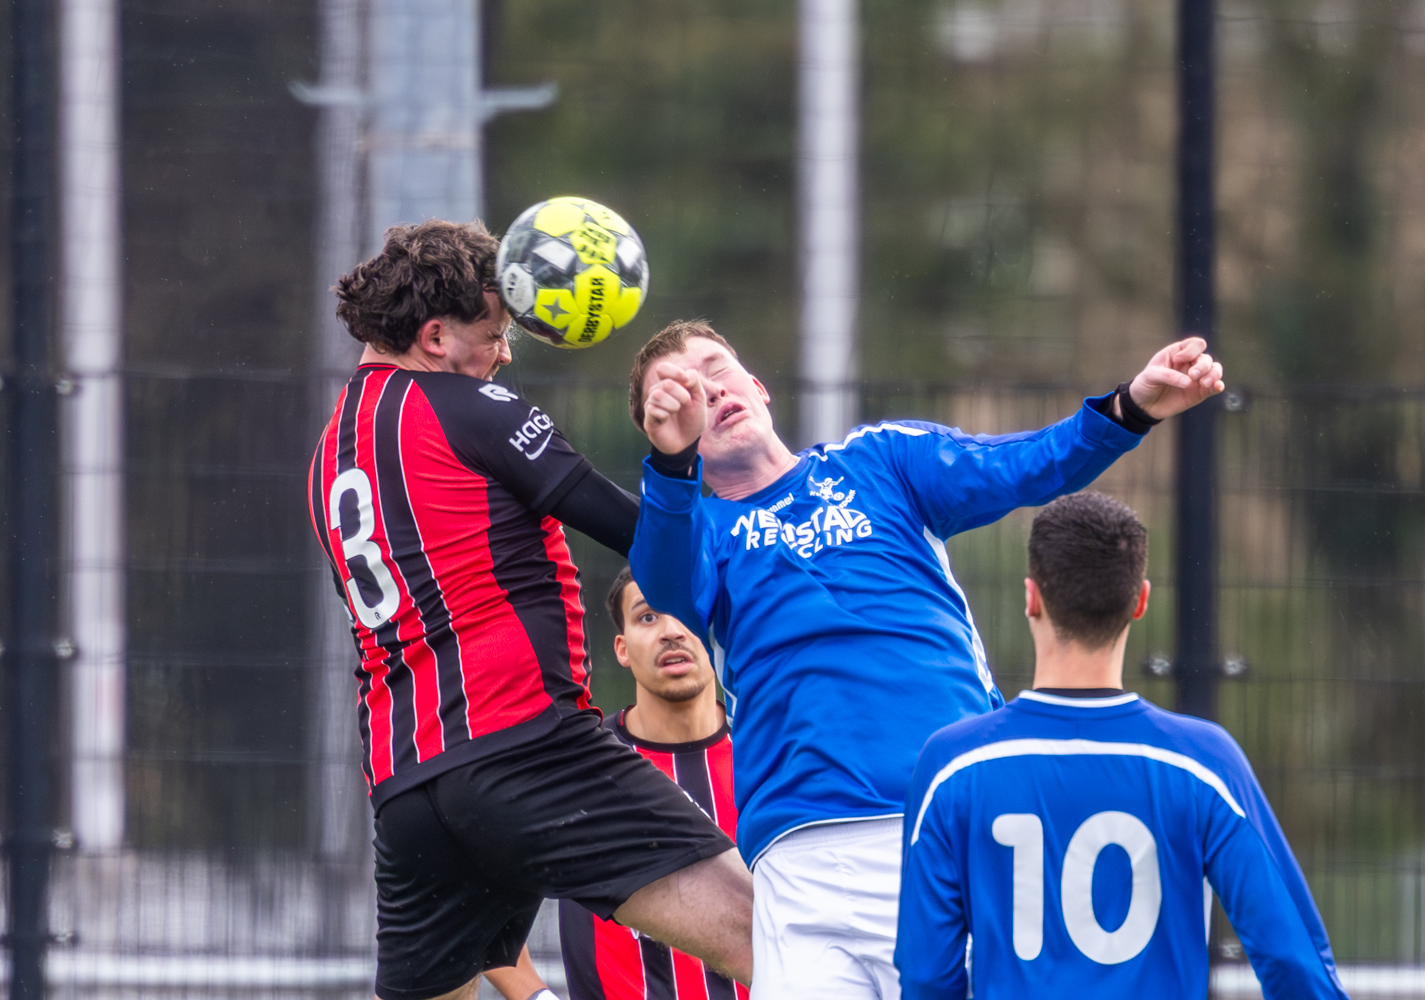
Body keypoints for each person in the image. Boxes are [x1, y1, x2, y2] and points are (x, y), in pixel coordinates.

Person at [629, 320, 1225, 1000]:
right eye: (677, 392)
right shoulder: (699, 531)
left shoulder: (880, 460)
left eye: (716, 368)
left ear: (758, 388)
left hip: (943, 821)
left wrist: (1129, 409)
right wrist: (671, 468)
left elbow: (1021, 466)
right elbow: (666, 583)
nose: (706, 390)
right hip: (800, 858)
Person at [308, 222, 752, 1000]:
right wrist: (677, 460)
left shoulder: (330, 449)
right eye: (495, 333)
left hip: (408, 788)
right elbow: (639, 537)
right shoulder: (469, 407)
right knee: (770, 939)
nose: (505, 355)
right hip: (527, 748)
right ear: (435, 337)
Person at [895, 492, 1348, 999]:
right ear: (1140, 601)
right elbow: (1293, 960)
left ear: (1032, 598)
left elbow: (927, 975)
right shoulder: (1204, 763)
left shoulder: (951, 764)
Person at [557, 567, 748, 1000]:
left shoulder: (771, 754)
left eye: (687, 611)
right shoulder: (578, 767)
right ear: (622, 649)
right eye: (648, 616)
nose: (672, 631)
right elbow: (478, 879)